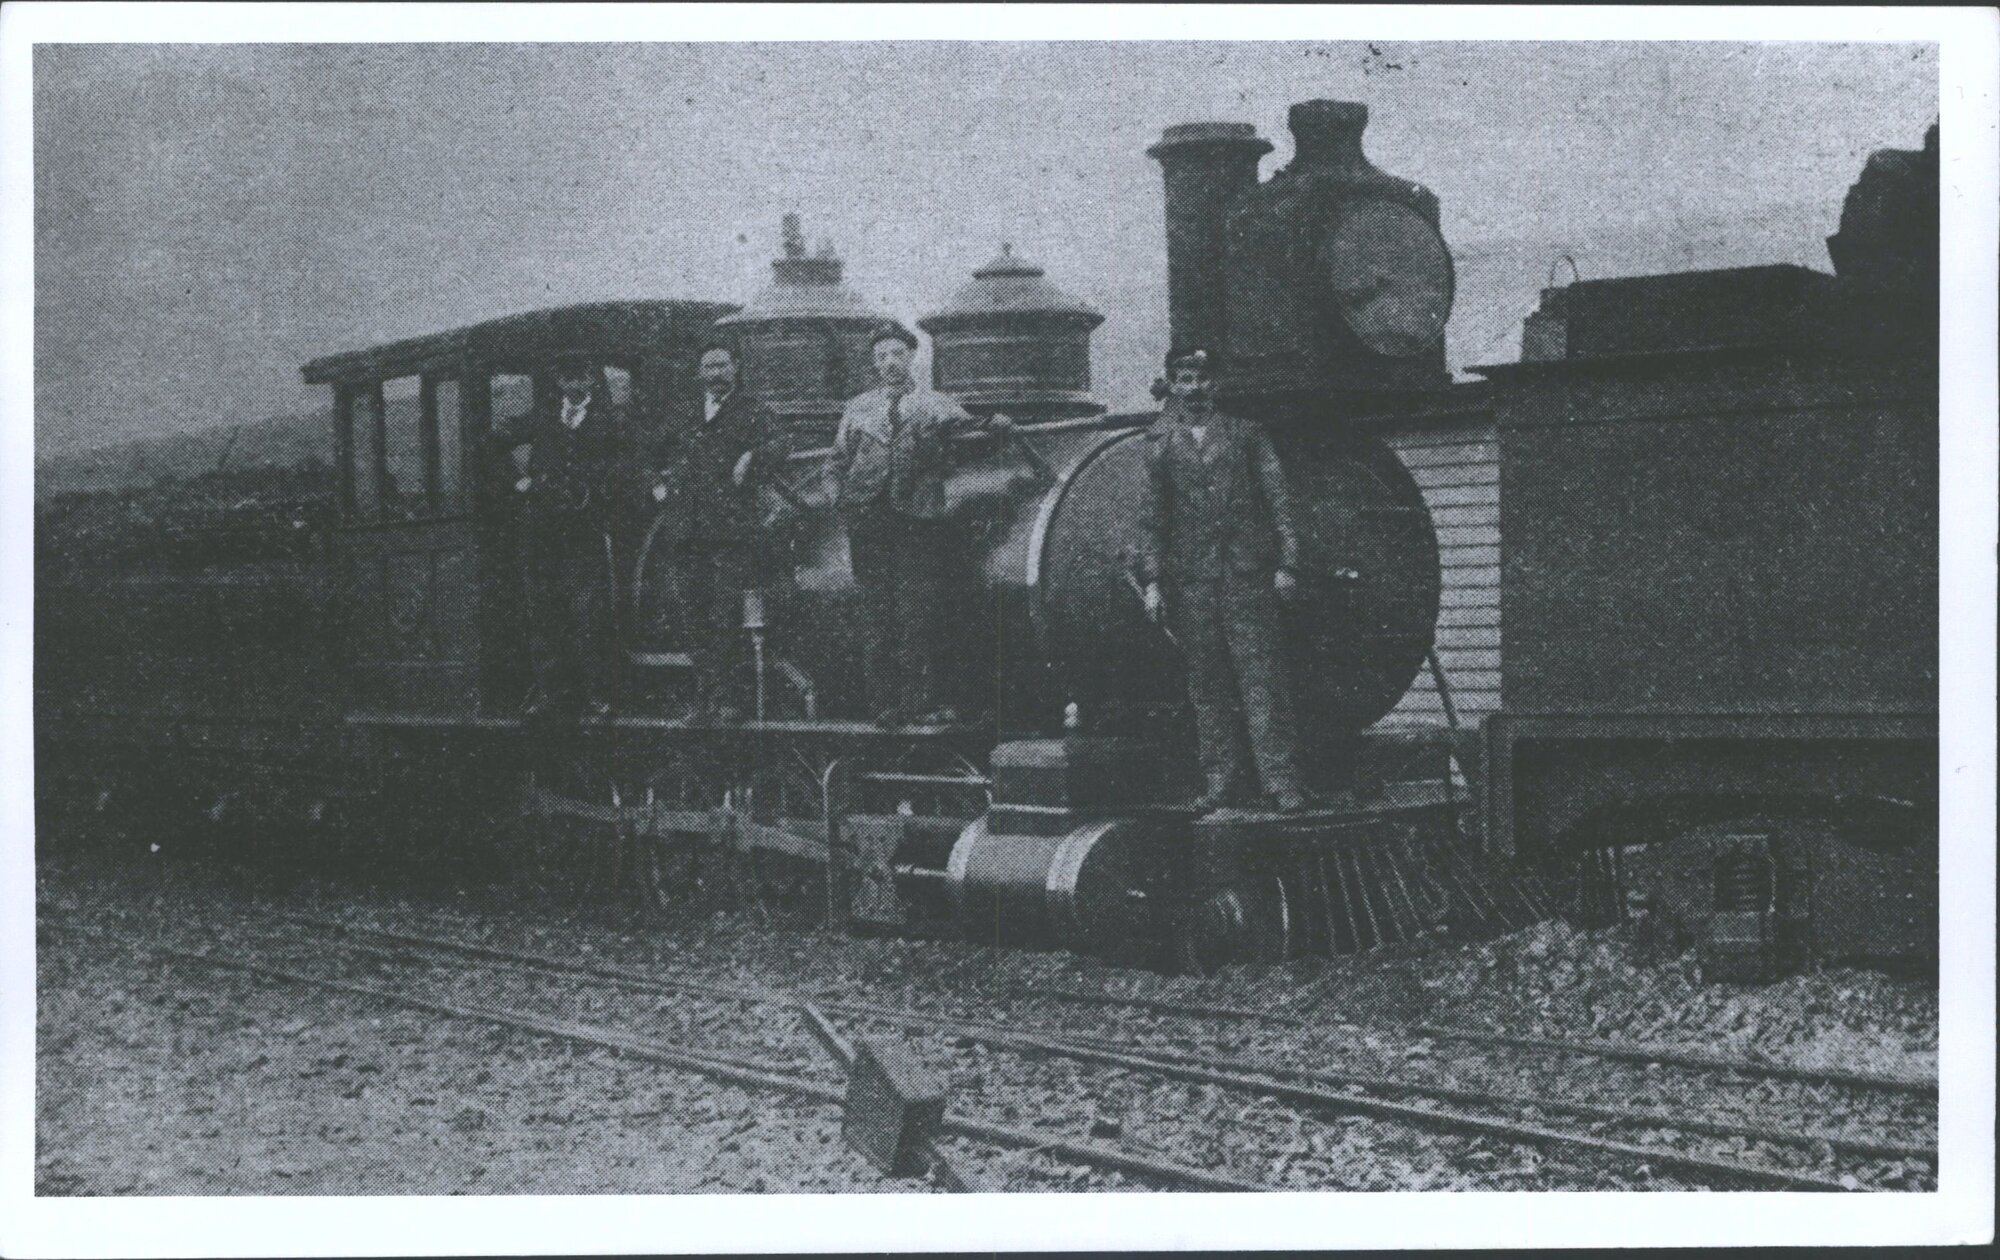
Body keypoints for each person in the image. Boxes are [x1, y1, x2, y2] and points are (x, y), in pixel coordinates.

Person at [1138, 347, 1309, 814]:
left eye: (1201, 378)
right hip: (1193, 583)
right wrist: (1153, 582)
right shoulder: (1161, 445)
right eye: (1184, 379)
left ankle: (1282, 783)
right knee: (1207, 687)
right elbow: (1152, 520)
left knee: (1262, 681)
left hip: (1246, 578)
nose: (1194, 387)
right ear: (1173, 385)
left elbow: (1279, 504)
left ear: (1217, 384)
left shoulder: (1247, 436)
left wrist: (1288, 565)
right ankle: (1221, 784)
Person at [824, 324, 1008, 728]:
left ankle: (917, 704)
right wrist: (841, 500)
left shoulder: (936, 404)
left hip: (917, 521)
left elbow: (972, 434)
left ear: (911, 356)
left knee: (916, 612)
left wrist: (994, 424)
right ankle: (883, 706)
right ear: (874, 363)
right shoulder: (858, 408)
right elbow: (836, 461)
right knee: (876, 613)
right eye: (882, 356)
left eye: (897, 354)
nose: (890, 362)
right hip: (868, 521)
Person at [493, 358, 641, 720]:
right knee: (544, 612)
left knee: (589, 612)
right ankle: (550, 695)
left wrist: (599, 487)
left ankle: (597, 695)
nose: (574, 382)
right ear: (559, 381)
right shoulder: (542, 418)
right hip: (541, 531)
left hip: (584, 530)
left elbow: (628, 460)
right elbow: (493, 442)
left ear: (591, 380)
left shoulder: (610, 420)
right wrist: (519, 481)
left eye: (581, 375)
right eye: (567, 376)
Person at [651, 343, 791, 721]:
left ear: (736, 367)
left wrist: (753, 456)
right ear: (700, 373)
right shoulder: (684, 413)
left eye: (722, 366)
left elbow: (781, 443)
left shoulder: (753, 410)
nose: (716, 374)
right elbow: (647, 453)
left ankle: (726, 699)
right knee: (691, 615)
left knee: (725, 615)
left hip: (730, 531)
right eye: (709, 367)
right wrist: (658, 487)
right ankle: (704, 697)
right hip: (686, 531)